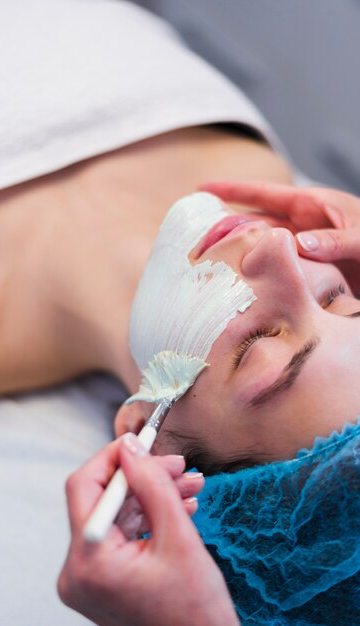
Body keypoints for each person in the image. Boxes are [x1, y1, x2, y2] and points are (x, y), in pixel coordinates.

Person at [58, 181, 360, 626]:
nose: (280, 245)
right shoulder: (303, 207)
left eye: (258, 345)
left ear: (146, 440)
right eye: (339, 300)